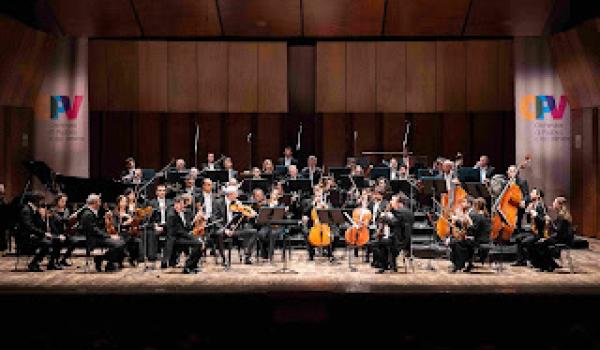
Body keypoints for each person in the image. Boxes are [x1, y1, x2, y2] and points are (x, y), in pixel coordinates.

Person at [213, 186, 258, 266]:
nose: (237, 196)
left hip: (234, 230)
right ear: (230, 195)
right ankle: (224, 259)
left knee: (253, 232)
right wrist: (224, 229)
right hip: (223, 229)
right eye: (235, 194)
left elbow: (242, 220)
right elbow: (214, 219)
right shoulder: (218, 202)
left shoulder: (237, 204)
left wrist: (248, 215)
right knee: (219, 233)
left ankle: (247, 256)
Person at [80, 194, 125, 272]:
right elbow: (94, 230)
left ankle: (103, 259)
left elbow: (98, 226)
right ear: (94, 202)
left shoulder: (92, 212)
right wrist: (109, 236)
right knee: (118, 244)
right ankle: (107, 262)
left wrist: (106, 218)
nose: (100, 203)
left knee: (121, 241)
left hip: (98, 237)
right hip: (93, 239)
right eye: (99, 201)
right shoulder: (87, 214)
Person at [529, 196, 574, 272]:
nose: (553, 204)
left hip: (562, 239)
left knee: (540, 244)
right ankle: (550, 264)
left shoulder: (562, 216)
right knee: (541, 243)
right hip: (561, 237)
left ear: (559, 205)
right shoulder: (562, 214)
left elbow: (558, 231)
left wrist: (547, 237)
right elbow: (557, 229)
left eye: (554, 202)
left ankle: (547, 266)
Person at [373, 194, 413, 273]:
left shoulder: (400, 212)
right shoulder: (409, 211)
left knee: (378, 243)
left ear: (399, 203)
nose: (390, 202)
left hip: (398, 241)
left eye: (392, 200)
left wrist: (384, 217)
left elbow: (393, 222)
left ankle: (384, 266)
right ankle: (392, 265)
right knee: (384, 241)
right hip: (407, 241)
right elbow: (399, 224)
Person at [165, 197, 205, 274]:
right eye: (180, 204)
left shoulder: (183, 213)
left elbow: (188, 228)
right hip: (175, 239)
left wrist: (196, 219)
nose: (182, 206)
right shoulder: (172, 215)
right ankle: (187, 267)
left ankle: (193, 266)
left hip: (183, 237)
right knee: (198, 243)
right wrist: (193, 238)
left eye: (182, 204)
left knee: (199, 243)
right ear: (176, 204)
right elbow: (179, 232)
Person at [513, 188, 545, 267]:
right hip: (533, 232)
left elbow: (542, 222)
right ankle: (520, 261)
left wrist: (534, 213)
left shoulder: (540, 206)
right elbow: (529, 221)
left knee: (525, 241)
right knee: (518, 238)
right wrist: (528, 211)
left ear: (538, 196)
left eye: (533, 192)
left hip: (539, 233)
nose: (530, 194)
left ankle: (531, 260)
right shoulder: (533, 205)